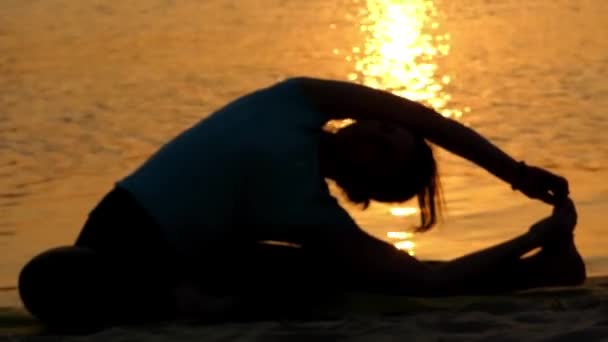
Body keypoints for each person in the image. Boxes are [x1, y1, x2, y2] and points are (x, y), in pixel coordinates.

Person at [18, 77, 586, 331]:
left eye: (387, 147)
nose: (380, 129)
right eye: (385, 128)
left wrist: (533, 237)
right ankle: (542, 272)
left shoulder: (309, 213)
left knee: (348, 278)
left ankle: (544, 271)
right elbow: (425, 119)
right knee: (52, 274)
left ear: (370, 186)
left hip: (191, 266)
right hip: (118, 237)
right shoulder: (298, 98)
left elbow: (426, 279)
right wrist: (514, 173)